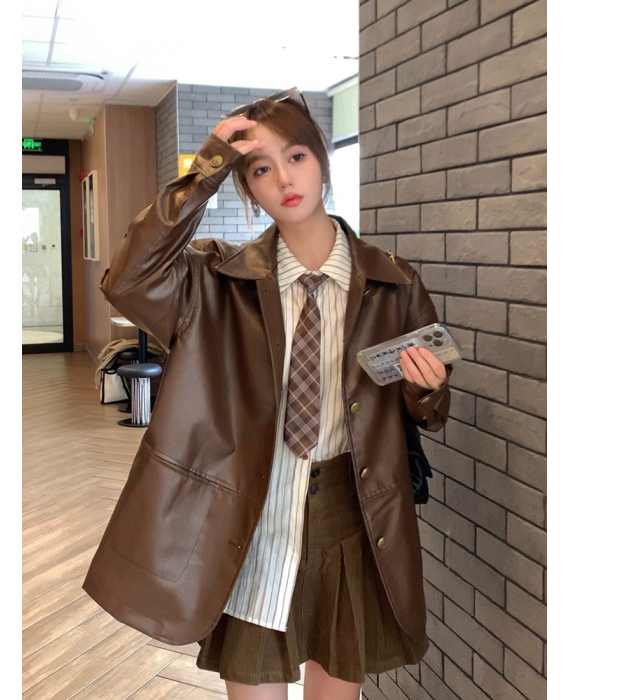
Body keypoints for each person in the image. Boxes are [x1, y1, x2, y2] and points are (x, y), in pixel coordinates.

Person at [83, 88, 451, 700]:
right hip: (251, 510)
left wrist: (427, 389)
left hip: (354, 513)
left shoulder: (393, 281)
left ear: (322, 161)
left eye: (297, 157)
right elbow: (129, 278)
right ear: (247, 187)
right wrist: (206, 167)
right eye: (260, 168)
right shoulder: (215, 282)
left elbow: (428, 413)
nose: (284, 179)